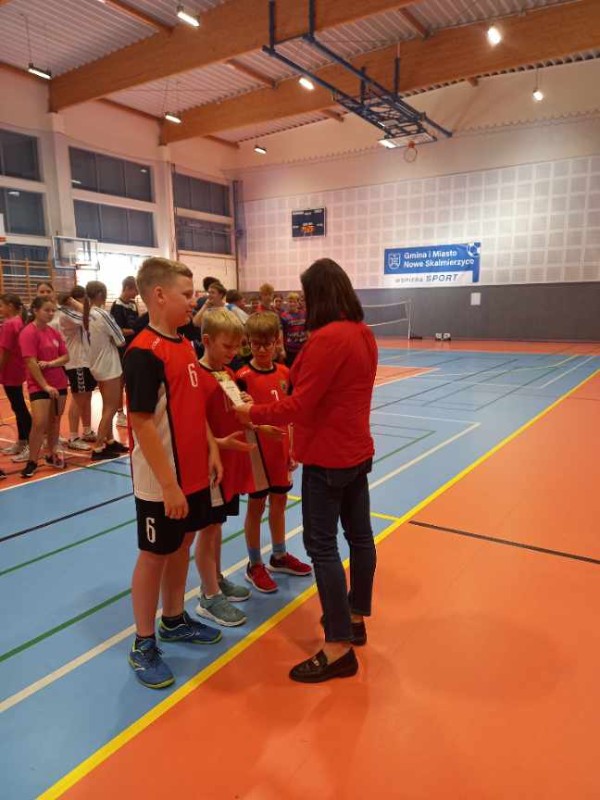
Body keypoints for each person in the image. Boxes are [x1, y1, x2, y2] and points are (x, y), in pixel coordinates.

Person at [235, 258, 378, 684]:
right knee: (360, 537)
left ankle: (338, 647)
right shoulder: (363, 333)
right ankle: (354, 619)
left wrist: (251, 413)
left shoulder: (326, 339)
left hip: (327, 458)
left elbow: (299, 404)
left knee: (322, 547)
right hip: (357, 452)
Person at [124, 256, 222, 689]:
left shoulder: (184, 345)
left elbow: (192, 405)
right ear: (160, 295)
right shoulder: (144, 352)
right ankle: (143, 643)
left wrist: (211, 447)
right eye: (187, 294)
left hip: (193, 473)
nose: (194, 301)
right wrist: (168, 485)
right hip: (160, 481)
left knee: (182, 543)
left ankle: (175, 619)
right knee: (154, 554)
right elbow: (142, 422)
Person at [236, 312, 311, 594]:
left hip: (281, 451)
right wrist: (257, 426)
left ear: (277, 342)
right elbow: (238, 417)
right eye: (256, 344)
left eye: (267, 343)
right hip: (256, 453)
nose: (262, 349)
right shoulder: (241, 378)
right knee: (256, 506)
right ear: (248, 343)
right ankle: (254, 564)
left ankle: (279, 556)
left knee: (279, 502)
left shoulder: (285, 373)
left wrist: (293, 447)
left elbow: (291, 414)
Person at [194, 309, 256, 627]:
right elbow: (193, 428)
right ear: (207, 340)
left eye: (237, 347)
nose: (233, 352)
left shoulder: (227, 373)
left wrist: (242, 401)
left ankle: (215, 578)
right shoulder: (196, 377)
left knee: (217, 526)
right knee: (208, 530)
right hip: (208, 466)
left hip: (228, 464)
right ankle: (208, 596)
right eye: (227, 346)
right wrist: (218, 443)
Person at [19, 296, 69, 479]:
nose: (50, 313)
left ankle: (52, 454)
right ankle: (32, 461)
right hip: (39, 385)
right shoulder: (28, 333)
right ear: (35, 311)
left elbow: (66, 357)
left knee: (55, 421)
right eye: (47, 310)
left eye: (53, 310)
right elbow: (31, 362)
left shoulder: (53, 332)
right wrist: (45, 386)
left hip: (59, 382)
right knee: (39, 423)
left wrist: (50, 363)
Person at [84, 281, 127, 461]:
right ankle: (98, 447)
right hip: (108, 366)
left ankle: (109, 441)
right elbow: (121, 340)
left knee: (107, 405)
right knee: (111, 407)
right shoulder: (102, 314)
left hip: (97, 364)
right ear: (101, 294)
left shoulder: (88, 314)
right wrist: (112, 339)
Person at [56, 286, 97, 452]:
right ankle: (73, 436)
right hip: (76, 362)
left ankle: (87, 430)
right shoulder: (67, 313)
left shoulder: (72, 313)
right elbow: (90, 316)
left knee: (86, 397)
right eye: (84, 299)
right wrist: (75, 303)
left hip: (86, 361)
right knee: (79, 399)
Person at [0, 293, 31, 462]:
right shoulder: (19, 321)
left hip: (10, 371)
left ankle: (31, 444)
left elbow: (5, 352)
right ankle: (22, 440)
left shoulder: (10, 323)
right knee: (18, 406)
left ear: (10, 306)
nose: (0, 309)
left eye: (2, 306)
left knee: (19, 407)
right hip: (17, 369)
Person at [110, 276, 140, 428]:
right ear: (128, 288)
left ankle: (132, 411)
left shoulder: (133, 305)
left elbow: (137, 323)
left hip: (134, 347)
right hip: (121, 348)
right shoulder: (117, 306)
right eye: (135, 290)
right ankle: (120, 414)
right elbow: (117, 331)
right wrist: (135, 330)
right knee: (120, 382)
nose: (137, 294)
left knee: (132, 382)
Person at [280, 291, 308, 368]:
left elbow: (307, 330)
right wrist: (282, 349)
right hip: (290, 350)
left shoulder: (304, 314)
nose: (292, 304)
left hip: (302, 349)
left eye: (294, 302)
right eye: (290, 301)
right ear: (287, 303)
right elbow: (281, 333)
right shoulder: (283, 316)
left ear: (298, 303)